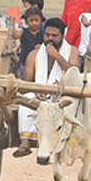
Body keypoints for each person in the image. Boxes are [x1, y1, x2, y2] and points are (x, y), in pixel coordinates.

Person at [16, 17, 73, 156]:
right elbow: (26, 83)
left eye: (54, 35)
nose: (50, 38)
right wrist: (36, 92)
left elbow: (73, 75)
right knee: (27, 99)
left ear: (62, 36)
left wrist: (57, 56)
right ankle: (25, 143)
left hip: (61, 96)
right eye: (47, 35)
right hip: (38, 96)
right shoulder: (34, 54)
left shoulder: (72, 52)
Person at [15, 6, 45, 76]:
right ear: (26, 21)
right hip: (24, 63)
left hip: (38, 63)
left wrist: (42, 46)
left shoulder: (42, 33)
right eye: (31, 21)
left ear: (40, 21)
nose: (34, 23)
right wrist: (12, 25)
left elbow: (47, 45)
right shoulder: (23, 31)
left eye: (36, 20)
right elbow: (15, 36)